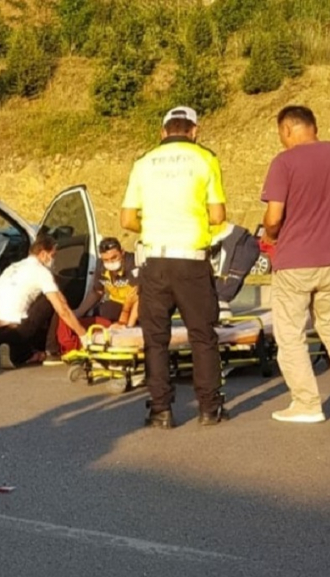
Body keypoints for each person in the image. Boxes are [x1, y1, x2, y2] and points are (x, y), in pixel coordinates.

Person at [121, 106, 228, 428]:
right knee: (202, 336)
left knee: (156, 339)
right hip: (191, 260)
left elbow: (127, 219)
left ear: (163, 131)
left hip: (154, 260)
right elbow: (218, 215)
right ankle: (209, 409)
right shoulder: (205, 159)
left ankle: (160, 411)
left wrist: (157, 227)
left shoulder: (143, 163)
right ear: (195, 130)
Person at [260, 105, 330, 423]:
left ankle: (307, 403)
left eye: (280, 134)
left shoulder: (284, 162)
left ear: (287, 129)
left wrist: (271, 234)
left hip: (295, 261)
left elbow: (275, 216)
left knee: (290, 334)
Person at [0, 234, 89, 369]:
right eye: (53, 255)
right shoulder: (41, 272)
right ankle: (51, 351)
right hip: (16, 331)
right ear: (44, 254)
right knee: (54, 301)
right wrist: (83, 334)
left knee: (46, 303)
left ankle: (9, 349)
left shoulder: (12, 267)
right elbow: (62, 309)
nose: (53, 260)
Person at [52, 237, 140, 357]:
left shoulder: (133, 263)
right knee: (103, 311)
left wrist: (127, 326)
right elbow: (97, 292)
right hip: (118, 302)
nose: (110, 262)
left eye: (114, 257)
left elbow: (138, 297)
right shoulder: (100, 266)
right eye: (106, 259)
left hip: (138, 303)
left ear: (122, 252)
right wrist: (79, 313)